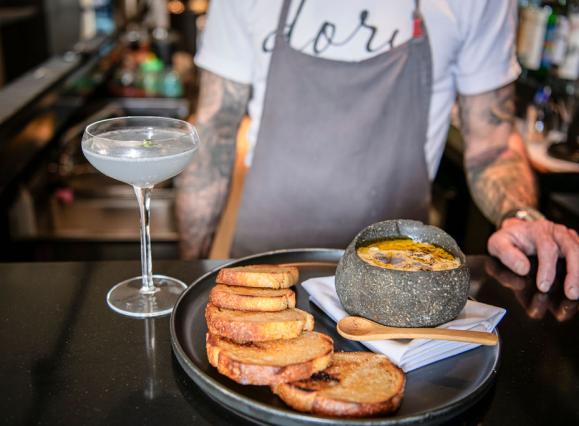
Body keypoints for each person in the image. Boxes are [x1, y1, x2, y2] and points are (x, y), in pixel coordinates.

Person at [175, 0, 579, 300]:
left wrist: (521, 215)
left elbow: (492, 144)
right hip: (264, 276)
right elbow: (213, 132)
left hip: (399, 285)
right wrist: (186, 273)